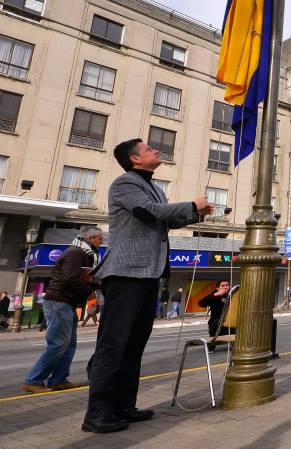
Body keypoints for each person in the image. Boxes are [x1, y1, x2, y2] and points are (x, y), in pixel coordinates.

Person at [84, 138, 212, 434]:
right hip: (126, 274)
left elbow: (165, 220)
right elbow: (147, 212)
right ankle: (98, 411)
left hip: (148, 275)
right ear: (135, 159)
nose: (156, 150)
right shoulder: (125, 184)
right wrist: (192, 204)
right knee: (113, 345)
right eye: (148, 148)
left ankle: (124, 405)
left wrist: (195, 214)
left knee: (134, 345)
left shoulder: (154, 187)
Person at [22, 226, 103, 394]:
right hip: (59, 302)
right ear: (90, 238)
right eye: (99, 238)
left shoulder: (85, 255)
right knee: (58, 343)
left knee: (69, 344)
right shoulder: (75, 253)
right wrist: (92, 287)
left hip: (67, 303)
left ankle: (58, 379)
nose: (101, 241)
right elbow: (69, 280)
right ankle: (34, 380)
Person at [198, 279, 234, 346]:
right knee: (213, 341)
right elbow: (201, 303)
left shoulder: (232, 295)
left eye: (227, 285)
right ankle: (212, 346)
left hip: (229, 322)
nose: (225, 287)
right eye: (222, 286)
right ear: (218, 288)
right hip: (216, 322)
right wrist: (216, 294)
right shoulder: (213, 296)